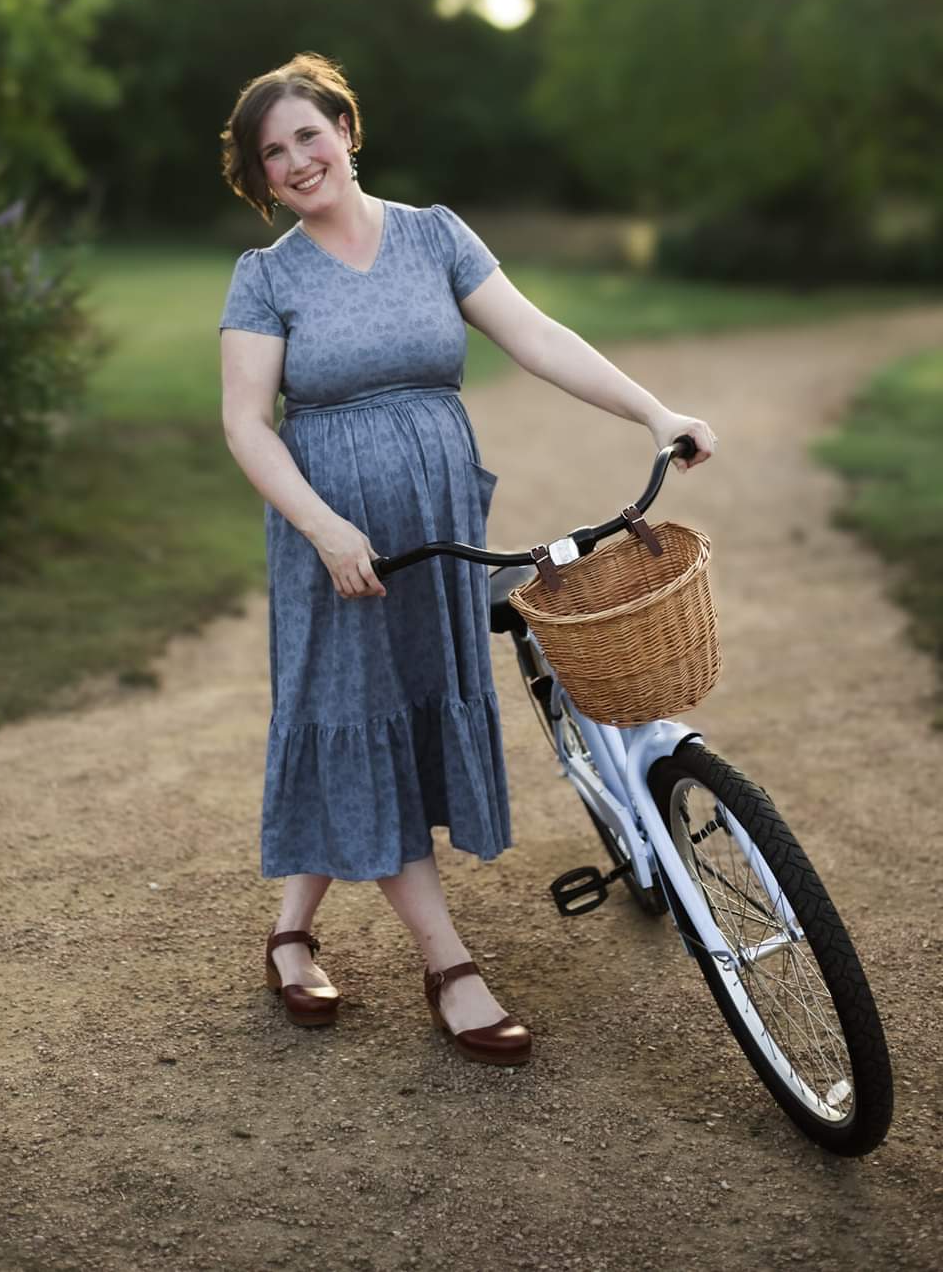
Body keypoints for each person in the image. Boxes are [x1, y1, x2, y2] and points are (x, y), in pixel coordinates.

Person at [218, 52, 716, 1066]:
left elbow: (535, 335)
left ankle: (289, 930)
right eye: (274, 154)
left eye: (309, 134)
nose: (297, 160)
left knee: (383, 711)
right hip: (338, 539)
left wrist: (654, 411)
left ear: (347, 129)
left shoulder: (433, 235)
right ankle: (450, 964)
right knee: (360, 712)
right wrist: (322, 524)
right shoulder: (265, 277)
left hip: (435, 522)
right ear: (264, 180)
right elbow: (244, 423)